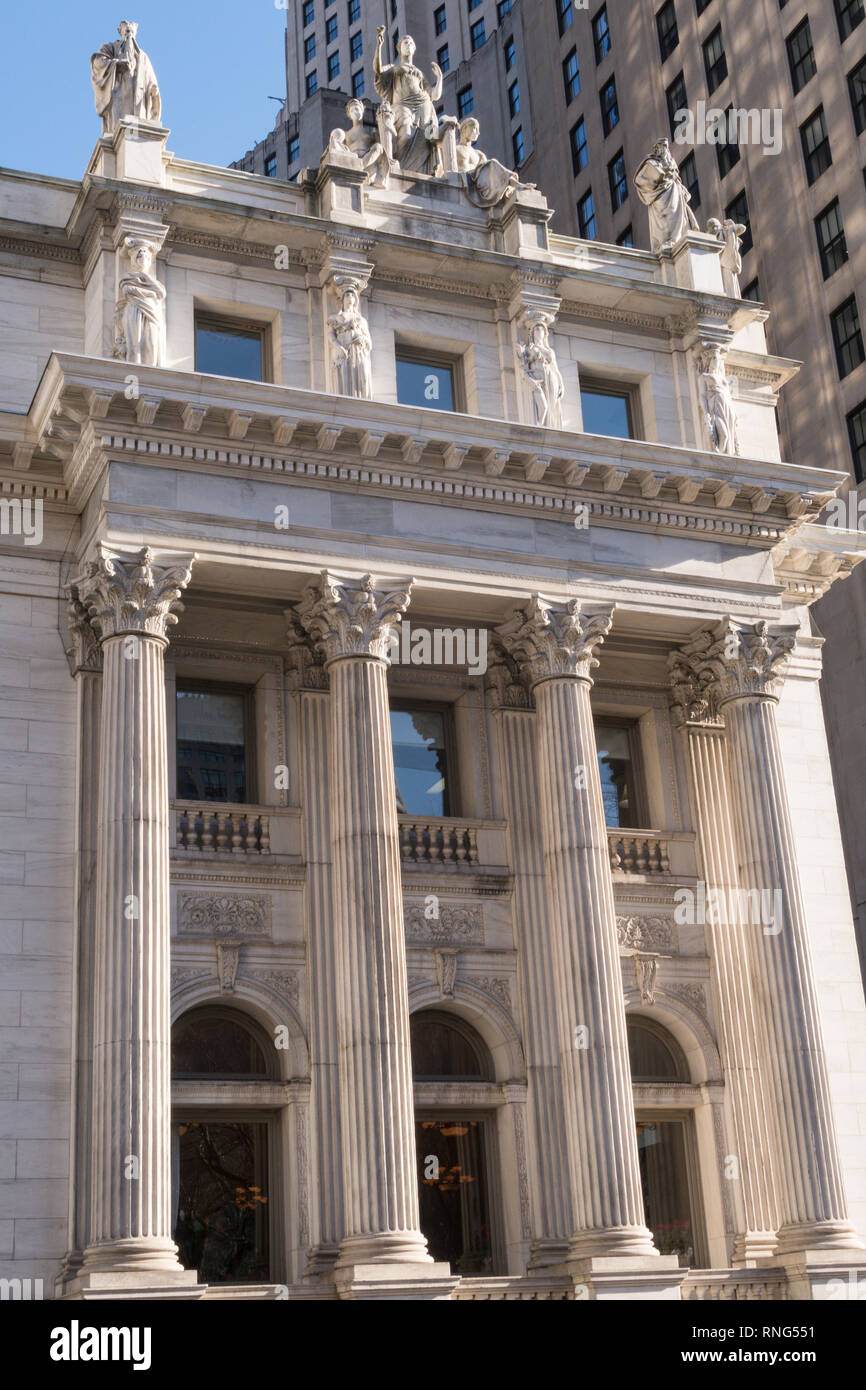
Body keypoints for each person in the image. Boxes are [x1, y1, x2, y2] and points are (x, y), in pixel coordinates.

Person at [373, 29, 443, 174]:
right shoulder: (394, 69)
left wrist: (440, 78)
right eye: (405, 42)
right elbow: (378, 70)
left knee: (427, 137)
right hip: (402, 105)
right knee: (405, 134)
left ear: (414, 48)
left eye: (411, 42)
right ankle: (403, 169)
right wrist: (379, 46)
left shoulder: (419, 73)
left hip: (423, 105)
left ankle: (423, 172)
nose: (408, 44)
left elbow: (434, 95)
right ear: (399, 48)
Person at [91, 20, 161, 135]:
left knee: (136, 133)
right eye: (127, 31)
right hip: (118, 95)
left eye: (131, 32)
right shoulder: (111, 48)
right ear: (121, 32)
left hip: (138, 99)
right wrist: (116, 64)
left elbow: (151, 79)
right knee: (120, 129)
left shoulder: (142, 56)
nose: (129, 35)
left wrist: (154, 91)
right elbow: (97, 62)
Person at [633, 138, 698, 250]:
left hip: (673, 191)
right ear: (657, 149)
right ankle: (668, 240)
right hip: (659, 196)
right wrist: (655, 180)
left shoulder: (671, 162)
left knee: (675, 215)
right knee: (665, 221)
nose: (664, 149)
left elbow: (676, 177)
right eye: (662, 147)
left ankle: (675, 239)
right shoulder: (650, 162)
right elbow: (639, 181)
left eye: (665, 147)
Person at [455, 118, 535, 207]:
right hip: (464, 180)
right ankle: (515, 184)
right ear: (465, 128)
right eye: (475, 128)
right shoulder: (455, 149)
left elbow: (491, 173)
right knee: (492, 163)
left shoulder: (478, 154)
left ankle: (515, 184)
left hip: (480, 184)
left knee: (492, 164)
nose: (478, 133)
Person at [113, 238, 165, 367]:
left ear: (149, 261)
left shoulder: (153, 281)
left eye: (146, 257)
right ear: (133, 260)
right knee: (134, 343)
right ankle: (134, 368)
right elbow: (127, 290)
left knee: (152, 342)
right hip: (133, 309)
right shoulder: (127, 278)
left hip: (151, 312)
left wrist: (146, 277)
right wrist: (150, 293)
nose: (142, 259)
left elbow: (161, 293)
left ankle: (150, 370)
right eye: (139, 256)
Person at [328, 98, 395, 188]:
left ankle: (359, 167)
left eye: (357, 109)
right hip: (353, 159)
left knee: (378, 147)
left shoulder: (372, 132)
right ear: (349, 115)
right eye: (352, 110)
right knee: (338, 132)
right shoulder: (346, 134)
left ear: (362, 111)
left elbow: (383, 148)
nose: (355, 112)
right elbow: (338, 147)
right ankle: (358, 167)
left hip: (369, 161)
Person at [517, 314, 565, 429]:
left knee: (552, 404)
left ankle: (551, 427)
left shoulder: (549, 351)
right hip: (537, 375)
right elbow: (524, 365)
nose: (539, 332)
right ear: (532, 332)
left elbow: (555, 368)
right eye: (537, 329)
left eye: (542, 329)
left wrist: (561, 384)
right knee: (543, 405)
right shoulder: (529, 348)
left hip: (551, 377)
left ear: (545, 333)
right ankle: (541, 426)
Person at [328, 280, 373, 400]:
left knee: (361, 377)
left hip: (358, 352)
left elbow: (369, 342)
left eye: (352, 295)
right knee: (344, 378)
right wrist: (338, 347)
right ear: (342, 299)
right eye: (347, 295)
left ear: (356, 300)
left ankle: (360, 399)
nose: (350, 298)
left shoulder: (361, 320)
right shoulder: (336, 318)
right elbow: (330, 335)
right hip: (343, 350)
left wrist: (362, 339)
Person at [700, 345, 740, 455]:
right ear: (708, 360)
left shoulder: (723, 378)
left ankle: (726, 458)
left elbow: (728, 395)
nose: (716, 360)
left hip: (727, 409)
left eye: (717, 358)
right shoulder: (704, 376)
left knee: (730, 436)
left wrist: (734, 413)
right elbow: (702, 396)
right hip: (716, 409)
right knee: (724, 435)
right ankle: (720, 458)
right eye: (713, 358)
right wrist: (706, 412)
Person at [707, 217, 747, 297]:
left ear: (719, 226)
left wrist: (732, 225)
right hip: (718, 267)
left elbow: (742, 228)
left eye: (715, 226)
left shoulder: (726, 231)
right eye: (712, 227)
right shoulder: (709, 238)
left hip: (727, 265)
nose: (714, 229)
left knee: (731, 288)